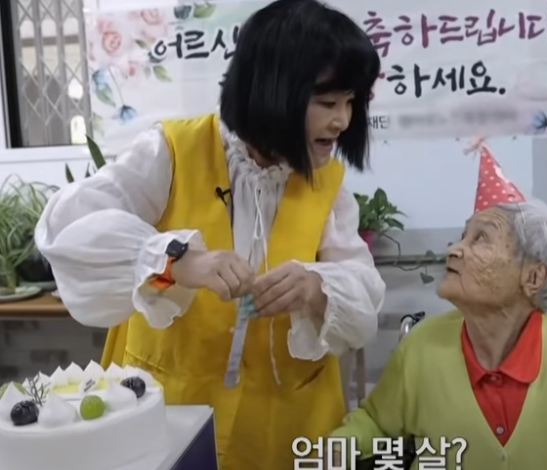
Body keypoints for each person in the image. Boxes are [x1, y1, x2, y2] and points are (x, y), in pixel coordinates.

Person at [35, 0, 385, 468]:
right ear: (273, 89)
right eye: (327, 103)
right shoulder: (172, 152)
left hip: (287, 425)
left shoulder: (328, 183)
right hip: (172, 416)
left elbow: (363, 294)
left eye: (350, 102)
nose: (342, 120)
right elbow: (67, 231)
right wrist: (176, 263)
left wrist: (316, 288)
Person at [329, 145, 547, 470]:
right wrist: (331, 454)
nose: (454, 250)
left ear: (533, 276)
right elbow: (374, 423)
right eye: (462, 237)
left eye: (480, 239)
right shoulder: (421, 349)